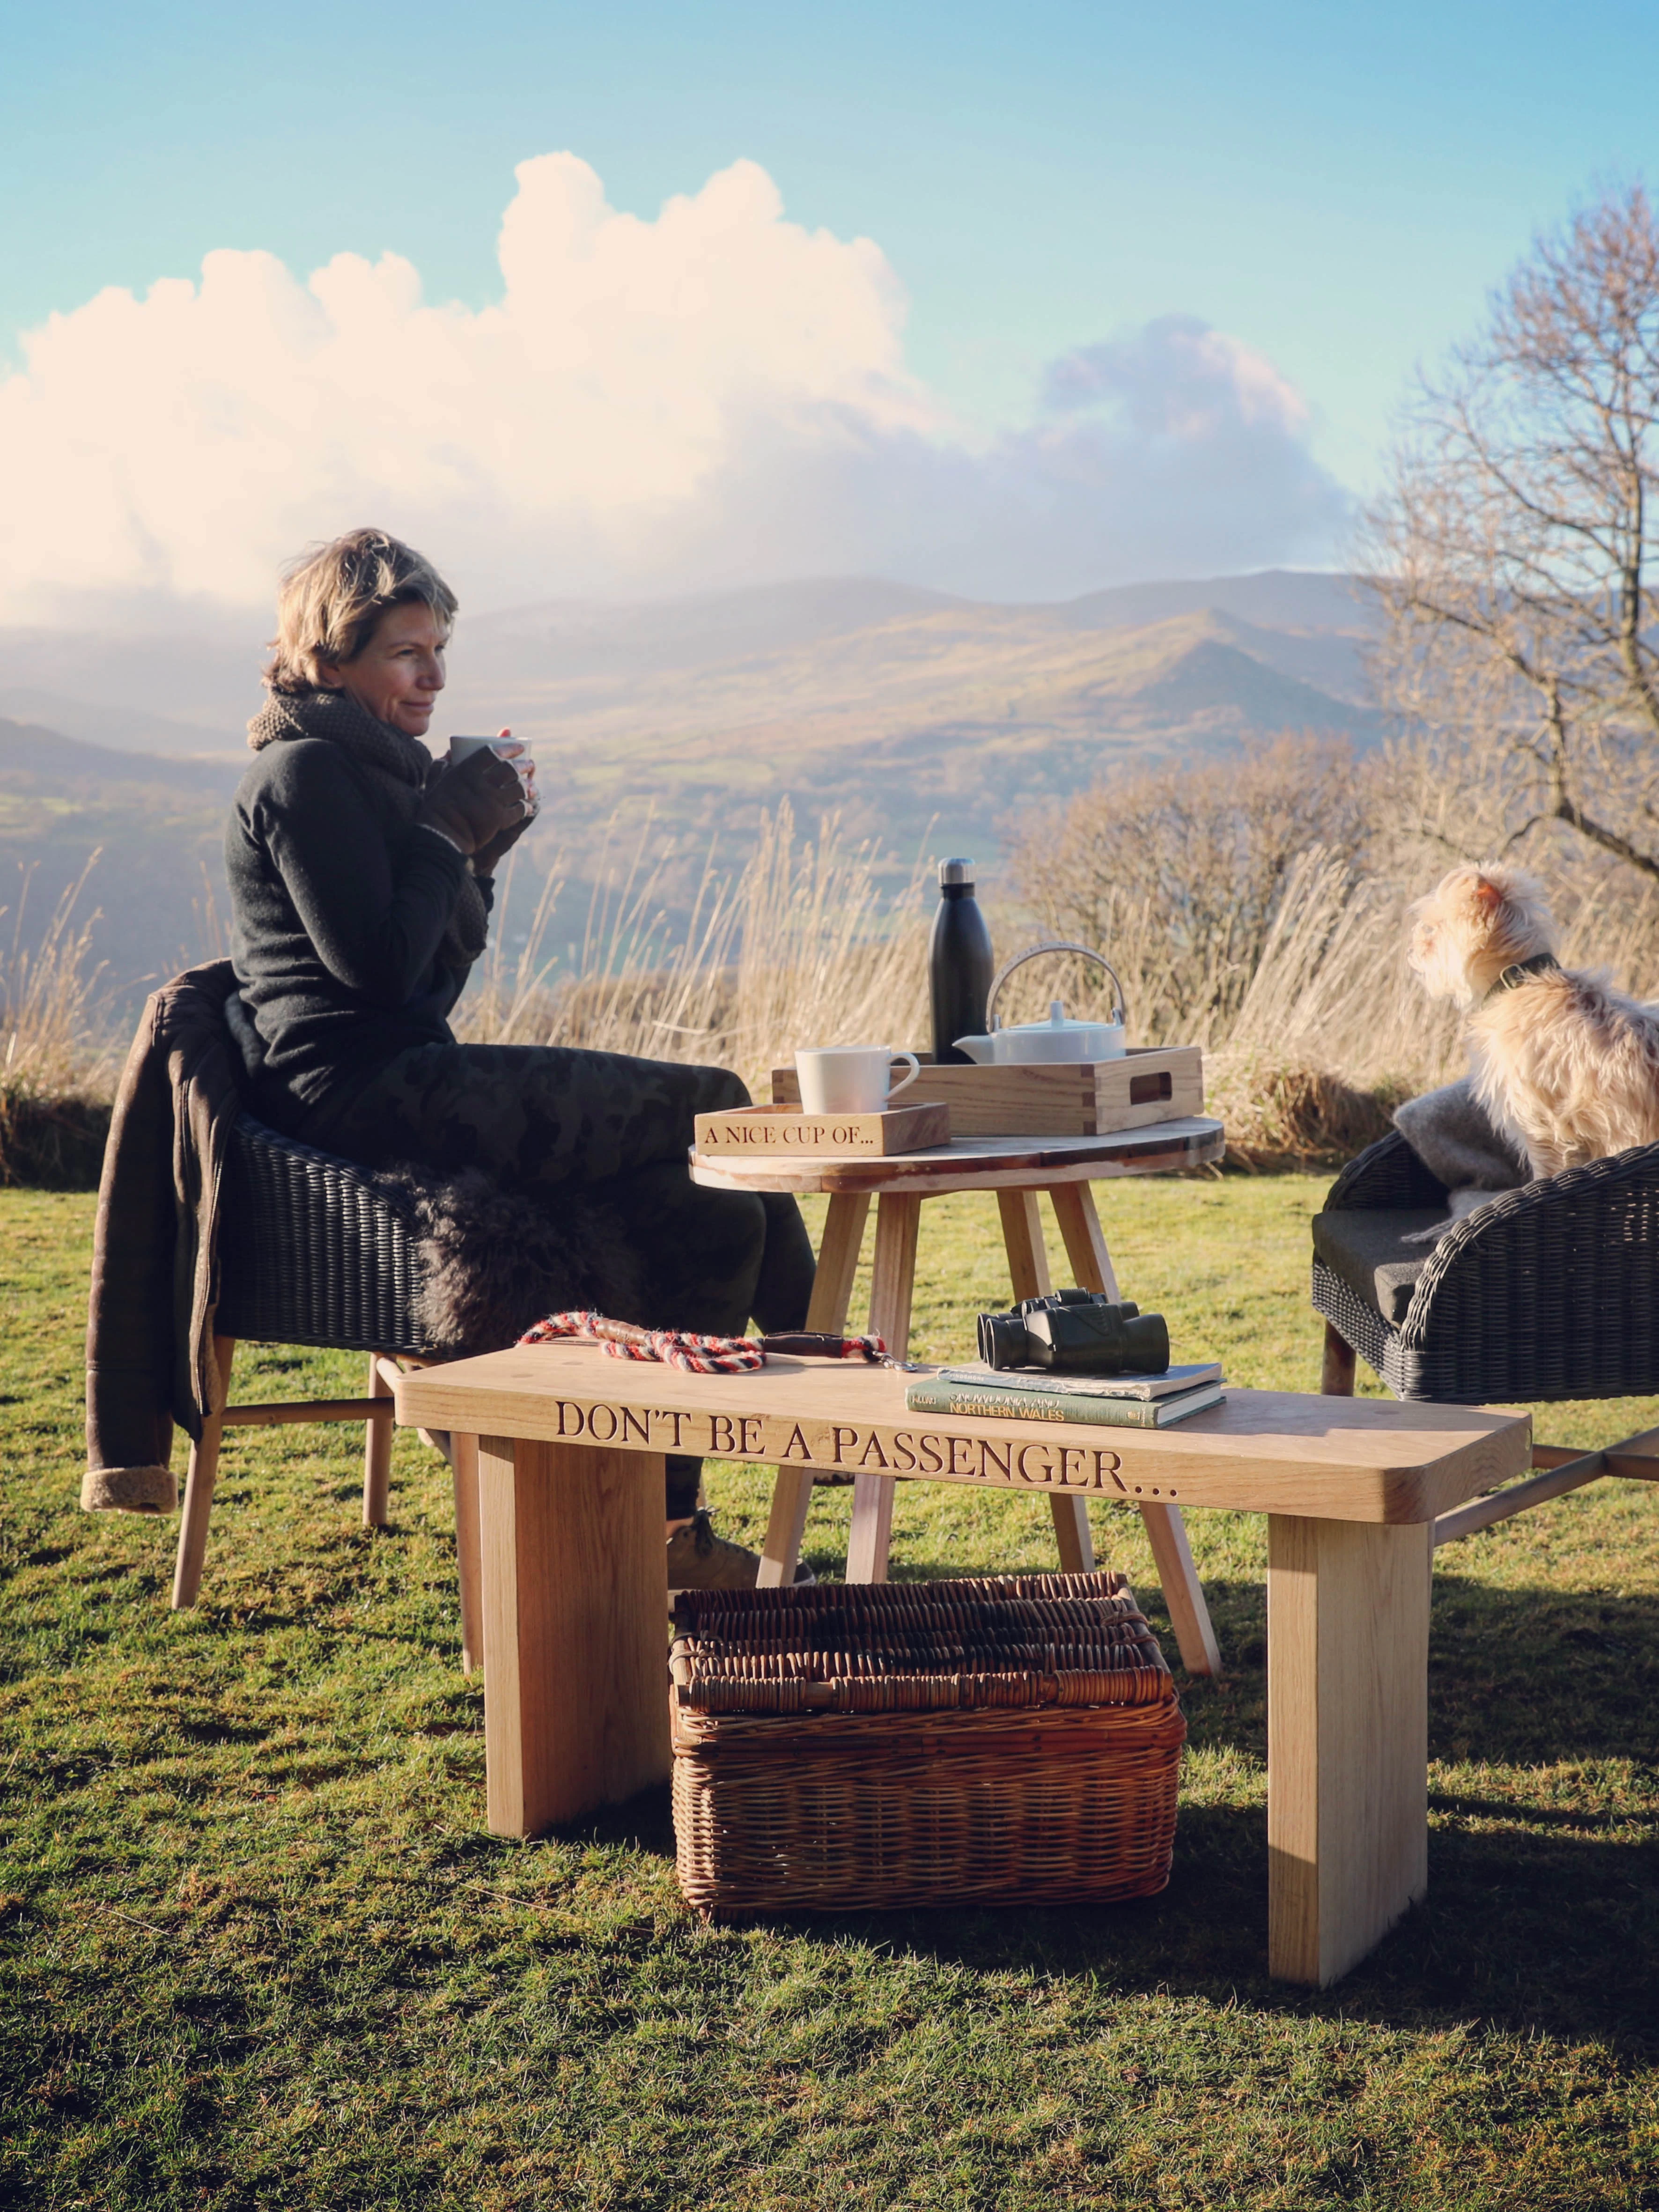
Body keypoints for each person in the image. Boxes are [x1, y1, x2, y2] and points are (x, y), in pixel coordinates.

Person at [226, 527, 817, 1586]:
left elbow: (429, 984)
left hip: (412, 1073)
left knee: (716, 1211)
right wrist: (448, 837)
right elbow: (372, 980)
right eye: (409, 652)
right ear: (330, 658)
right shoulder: (304, 774)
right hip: (353, 1098)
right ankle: (824, 1384)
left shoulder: (374, 775)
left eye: (440, 648)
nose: (435, 677)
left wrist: (477, 858)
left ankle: (667, 1537)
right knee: (717, 1101)